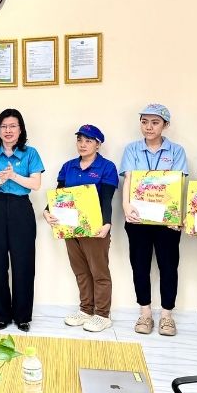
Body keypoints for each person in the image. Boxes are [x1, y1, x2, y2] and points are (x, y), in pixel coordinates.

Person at [118, 104, 189, 336]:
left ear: (165, 125)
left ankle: (167, 316)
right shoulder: (132, 149)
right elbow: (129, 179)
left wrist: (177, 215)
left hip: (167, 220)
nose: (149, 127)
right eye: (144, 121)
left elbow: (179, 184)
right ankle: (145, 313)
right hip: (138, 218)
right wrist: (126, 206)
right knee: (139, 265)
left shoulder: (176, 151)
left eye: (155, 122)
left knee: (168, 266)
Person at [43, 124, 118, 332]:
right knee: (81, 271)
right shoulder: (68, 166)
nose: (83, 144)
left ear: (98, 145)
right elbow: (60, 194)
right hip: (69, 227)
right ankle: (86, 310)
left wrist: (107, 223)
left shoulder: (106, 167)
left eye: (88, 141)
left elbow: (107, 198)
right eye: (80, 140)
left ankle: (102, 314)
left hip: (95, 229)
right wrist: (47, 211)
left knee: (99, 272)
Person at [0, 108, 44, 332]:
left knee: (23, 263)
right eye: (4, 126)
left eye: (13, 126)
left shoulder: (30, 153)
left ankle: (23, 316)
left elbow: (35, 184)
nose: (8, 130)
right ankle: (1, 316)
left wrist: (13, 175)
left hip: (21, 209)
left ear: (20, 129)